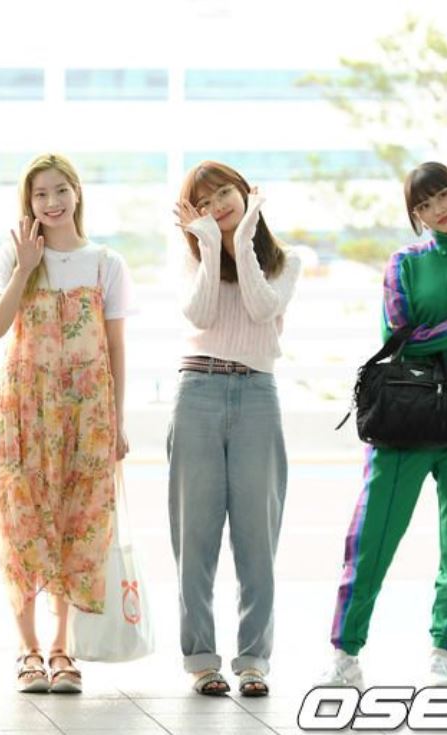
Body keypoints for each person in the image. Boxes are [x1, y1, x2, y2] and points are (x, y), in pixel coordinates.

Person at [321, 162, 447, 689]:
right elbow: (401, 335)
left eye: (442, 195)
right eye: (422, 205)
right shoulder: (404, 263)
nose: (436, 209)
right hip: (406, 406)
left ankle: (443, 651)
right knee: (372, 534)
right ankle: (346, 653)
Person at [0, 153, 131, 694]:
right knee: (22, 523)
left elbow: (116, 347)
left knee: (79, 522)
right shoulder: (13, 256)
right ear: (29, 203)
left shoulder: (106, 262)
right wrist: (25, 268)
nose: (51, 202)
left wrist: (117, 421)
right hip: (25, 409)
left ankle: (62, 648)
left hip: (87, 412)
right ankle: (27, 650)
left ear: (77, 192)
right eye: (40, 194)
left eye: (59, 190)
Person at [170, 161, 300, 697]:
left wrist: (243, 239)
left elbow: (260, 306)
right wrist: (208, 247)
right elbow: (201, 316)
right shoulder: (190, 258)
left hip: (257, 394)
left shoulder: (285, 261)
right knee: (195, 538)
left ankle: (253, 661)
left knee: (256, 538)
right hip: (197, 390)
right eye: (203, 202)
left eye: (223, 192)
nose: (216, 205)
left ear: (245, 192)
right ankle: (202, 660)